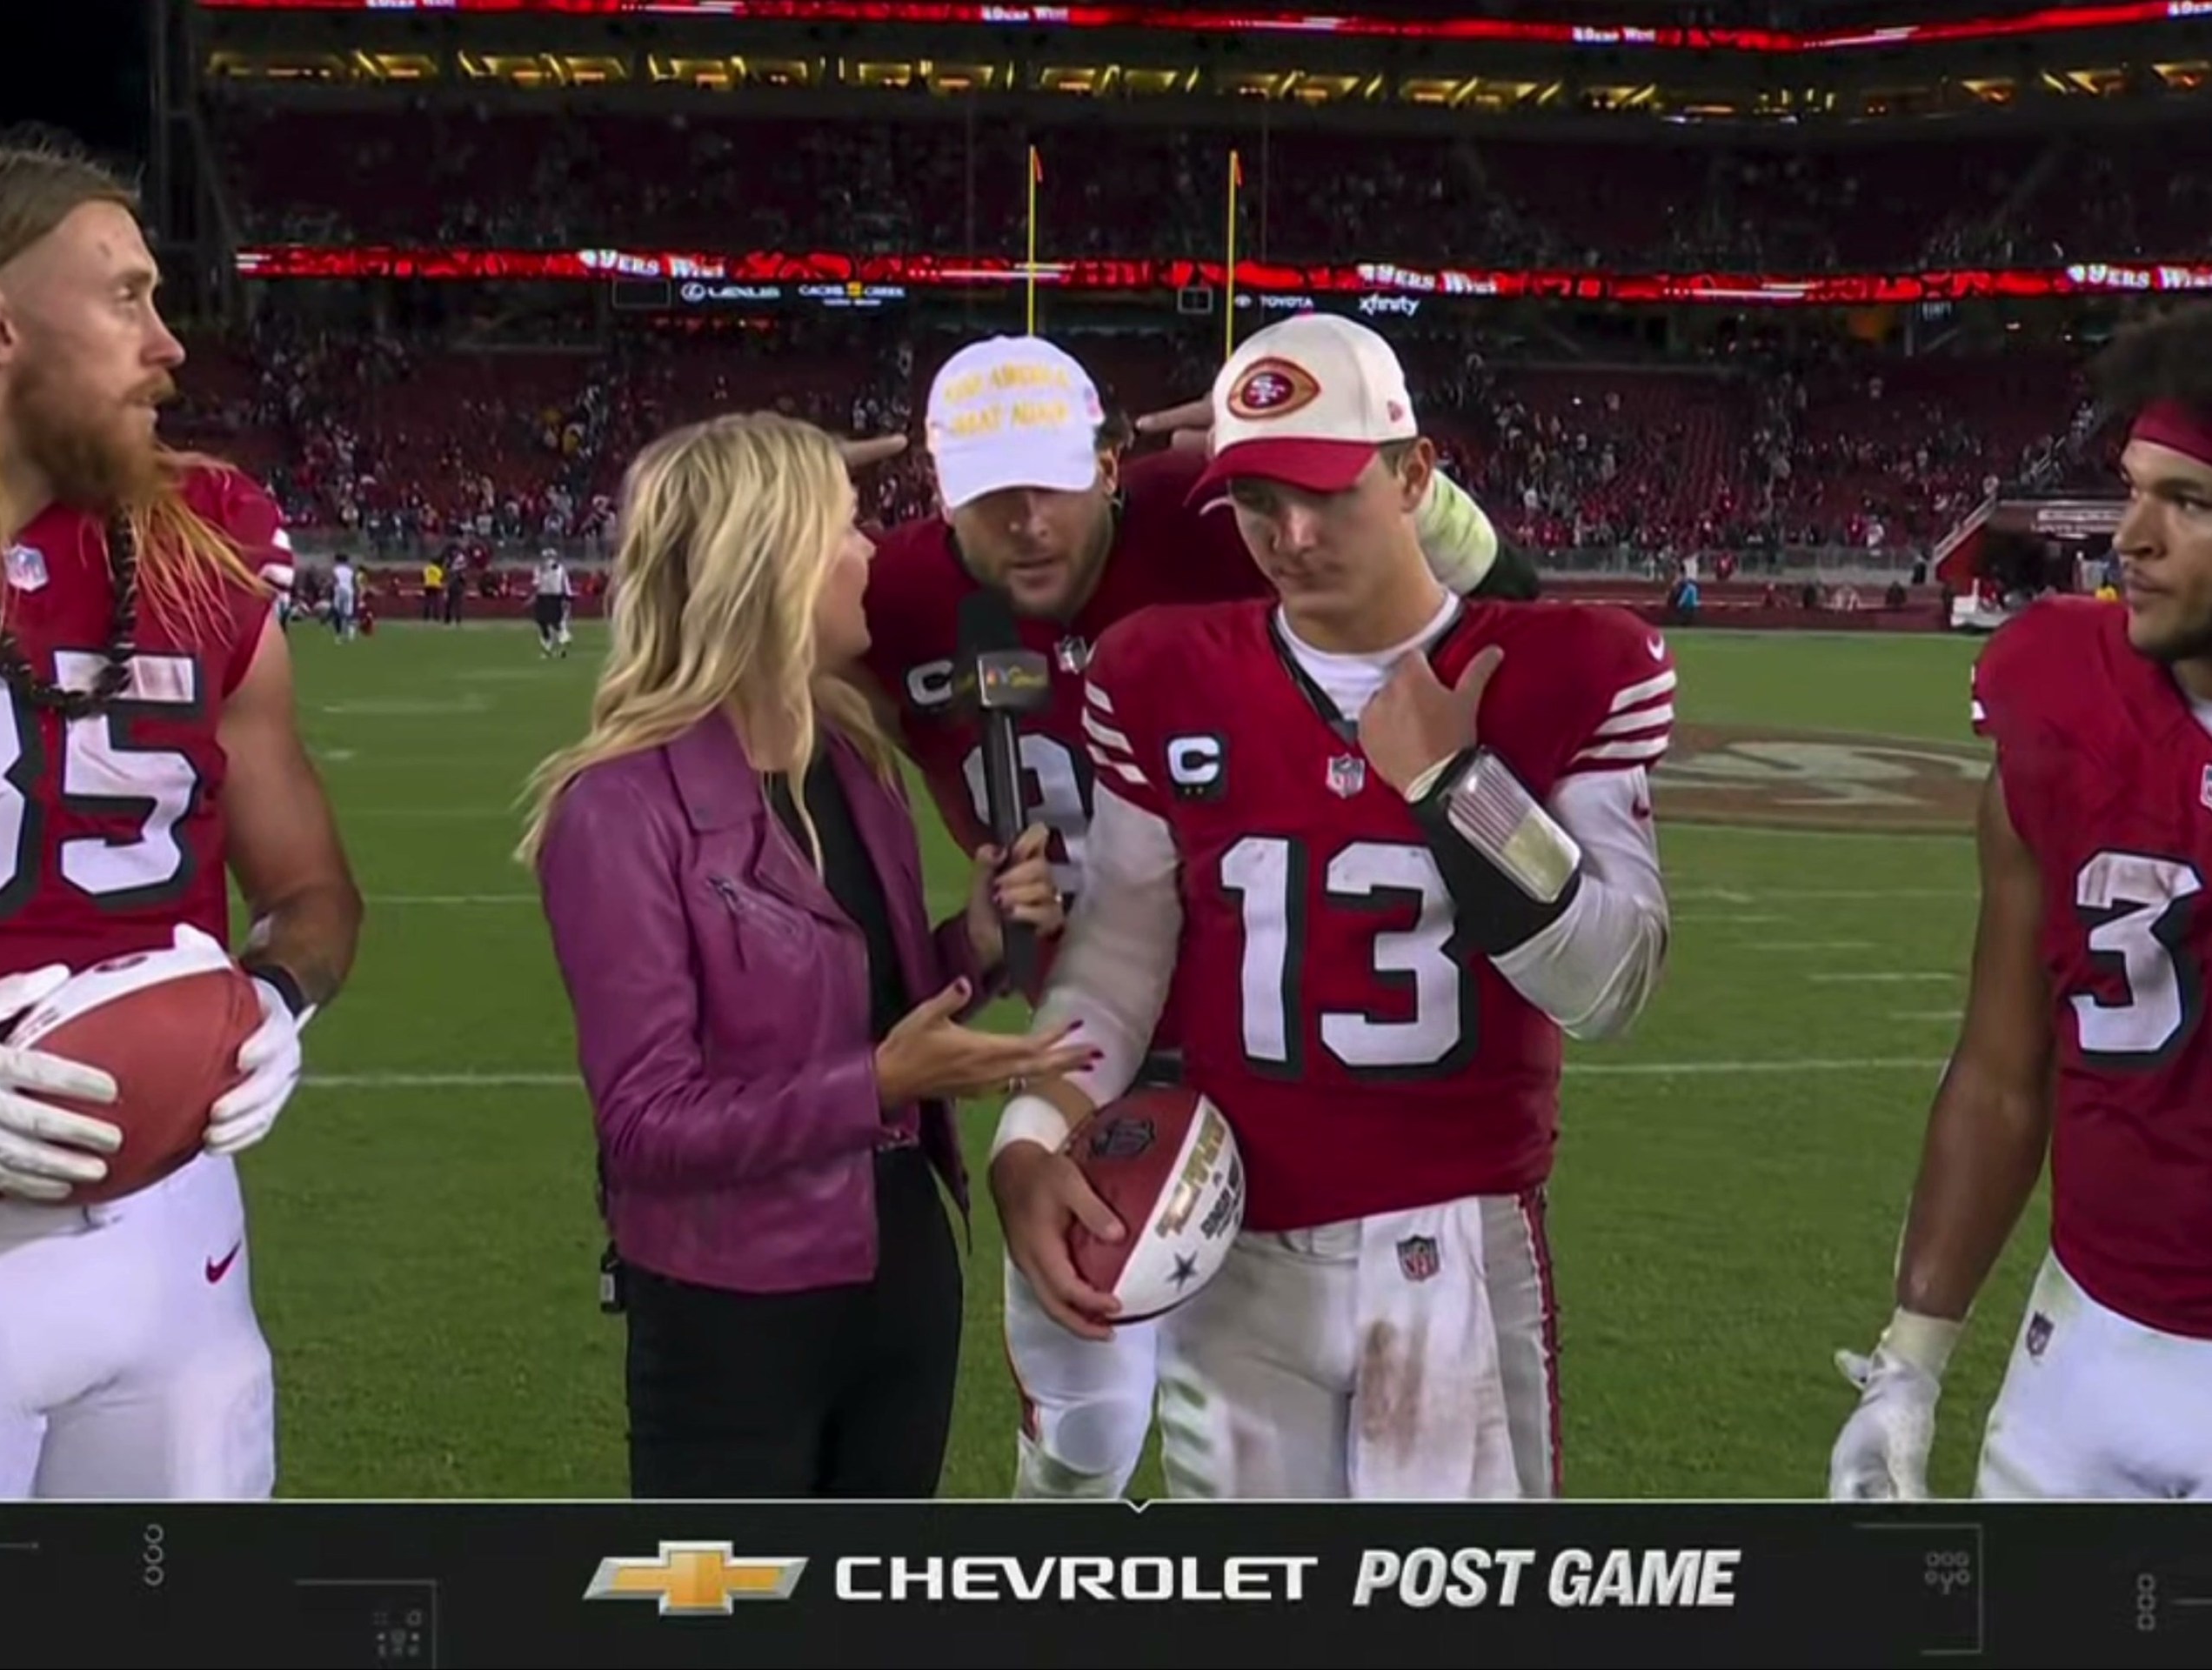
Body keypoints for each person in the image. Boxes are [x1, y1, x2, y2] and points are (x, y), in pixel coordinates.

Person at [983, 313, 1677, 1499]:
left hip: (1455, 1245)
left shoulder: (1569, 666)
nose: (1291, 538)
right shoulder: (1162, 671)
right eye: (1256, 501)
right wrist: (1027, 1143)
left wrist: (1462, 790)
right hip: (1231, 1242)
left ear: (1411, 474)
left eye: (1325, 494)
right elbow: (1120, 961)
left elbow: (1611, 985)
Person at [857, 331, 1547, 1502]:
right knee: (1085, 1420)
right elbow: (724, 627)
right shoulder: (905, 590)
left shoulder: (1215, 513)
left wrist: (1363, 463)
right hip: (1086, 1033)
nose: (1028, 520)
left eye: (1054, 482)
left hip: (1274, 1036)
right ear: (938, 495)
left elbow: (1502, 594)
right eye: (991, 494)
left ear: (1114, 466)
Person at [1828, 302, 2212, 1503]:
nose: (2130, 537)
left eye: (2192, 502)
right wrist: (1910, 1365)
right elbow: (1999, 1062)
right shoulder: (2056, 689)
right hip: (2075, 1355)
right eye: (2133, 487)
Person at [0, 131, 363, 1499]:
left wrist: (275, 998)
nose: (169, 345)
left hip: (173, 1255)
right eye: (124, 297)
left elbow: (314, 890)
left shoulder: (206, 539)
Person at [520, 411, 1095, 1500]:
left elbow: (871, 1002)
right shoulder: (618, 809)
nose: (871, 552)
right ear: (769, 566)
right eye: (842, 529)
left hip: (904, 1279)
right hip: (733, 1310)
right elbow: (646, 1127)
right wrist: (881, 1084)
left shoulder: (854, 763)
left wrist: (970, 945)